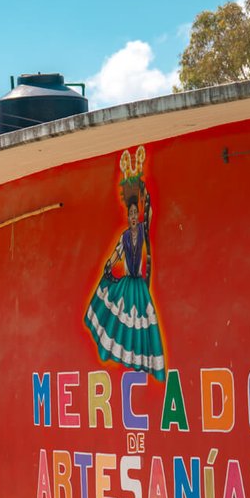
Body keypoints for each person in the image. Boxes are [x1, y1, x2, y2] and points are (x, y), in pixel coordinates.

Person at [83, 146, 166, 378]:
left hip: (138, 285)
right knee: (120, 321)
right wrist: (108, 266)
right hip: (127, 283)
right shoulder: (124, 236)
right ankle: (117, 352)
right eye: (129, 214)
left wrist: (143, 188)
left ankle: (143, 361)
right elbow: (117, 254)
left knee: (141, 323)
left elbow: (149, 213)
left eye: (134, 213)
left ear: (137, 213)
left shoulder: (142, 230)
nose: (131, 217)